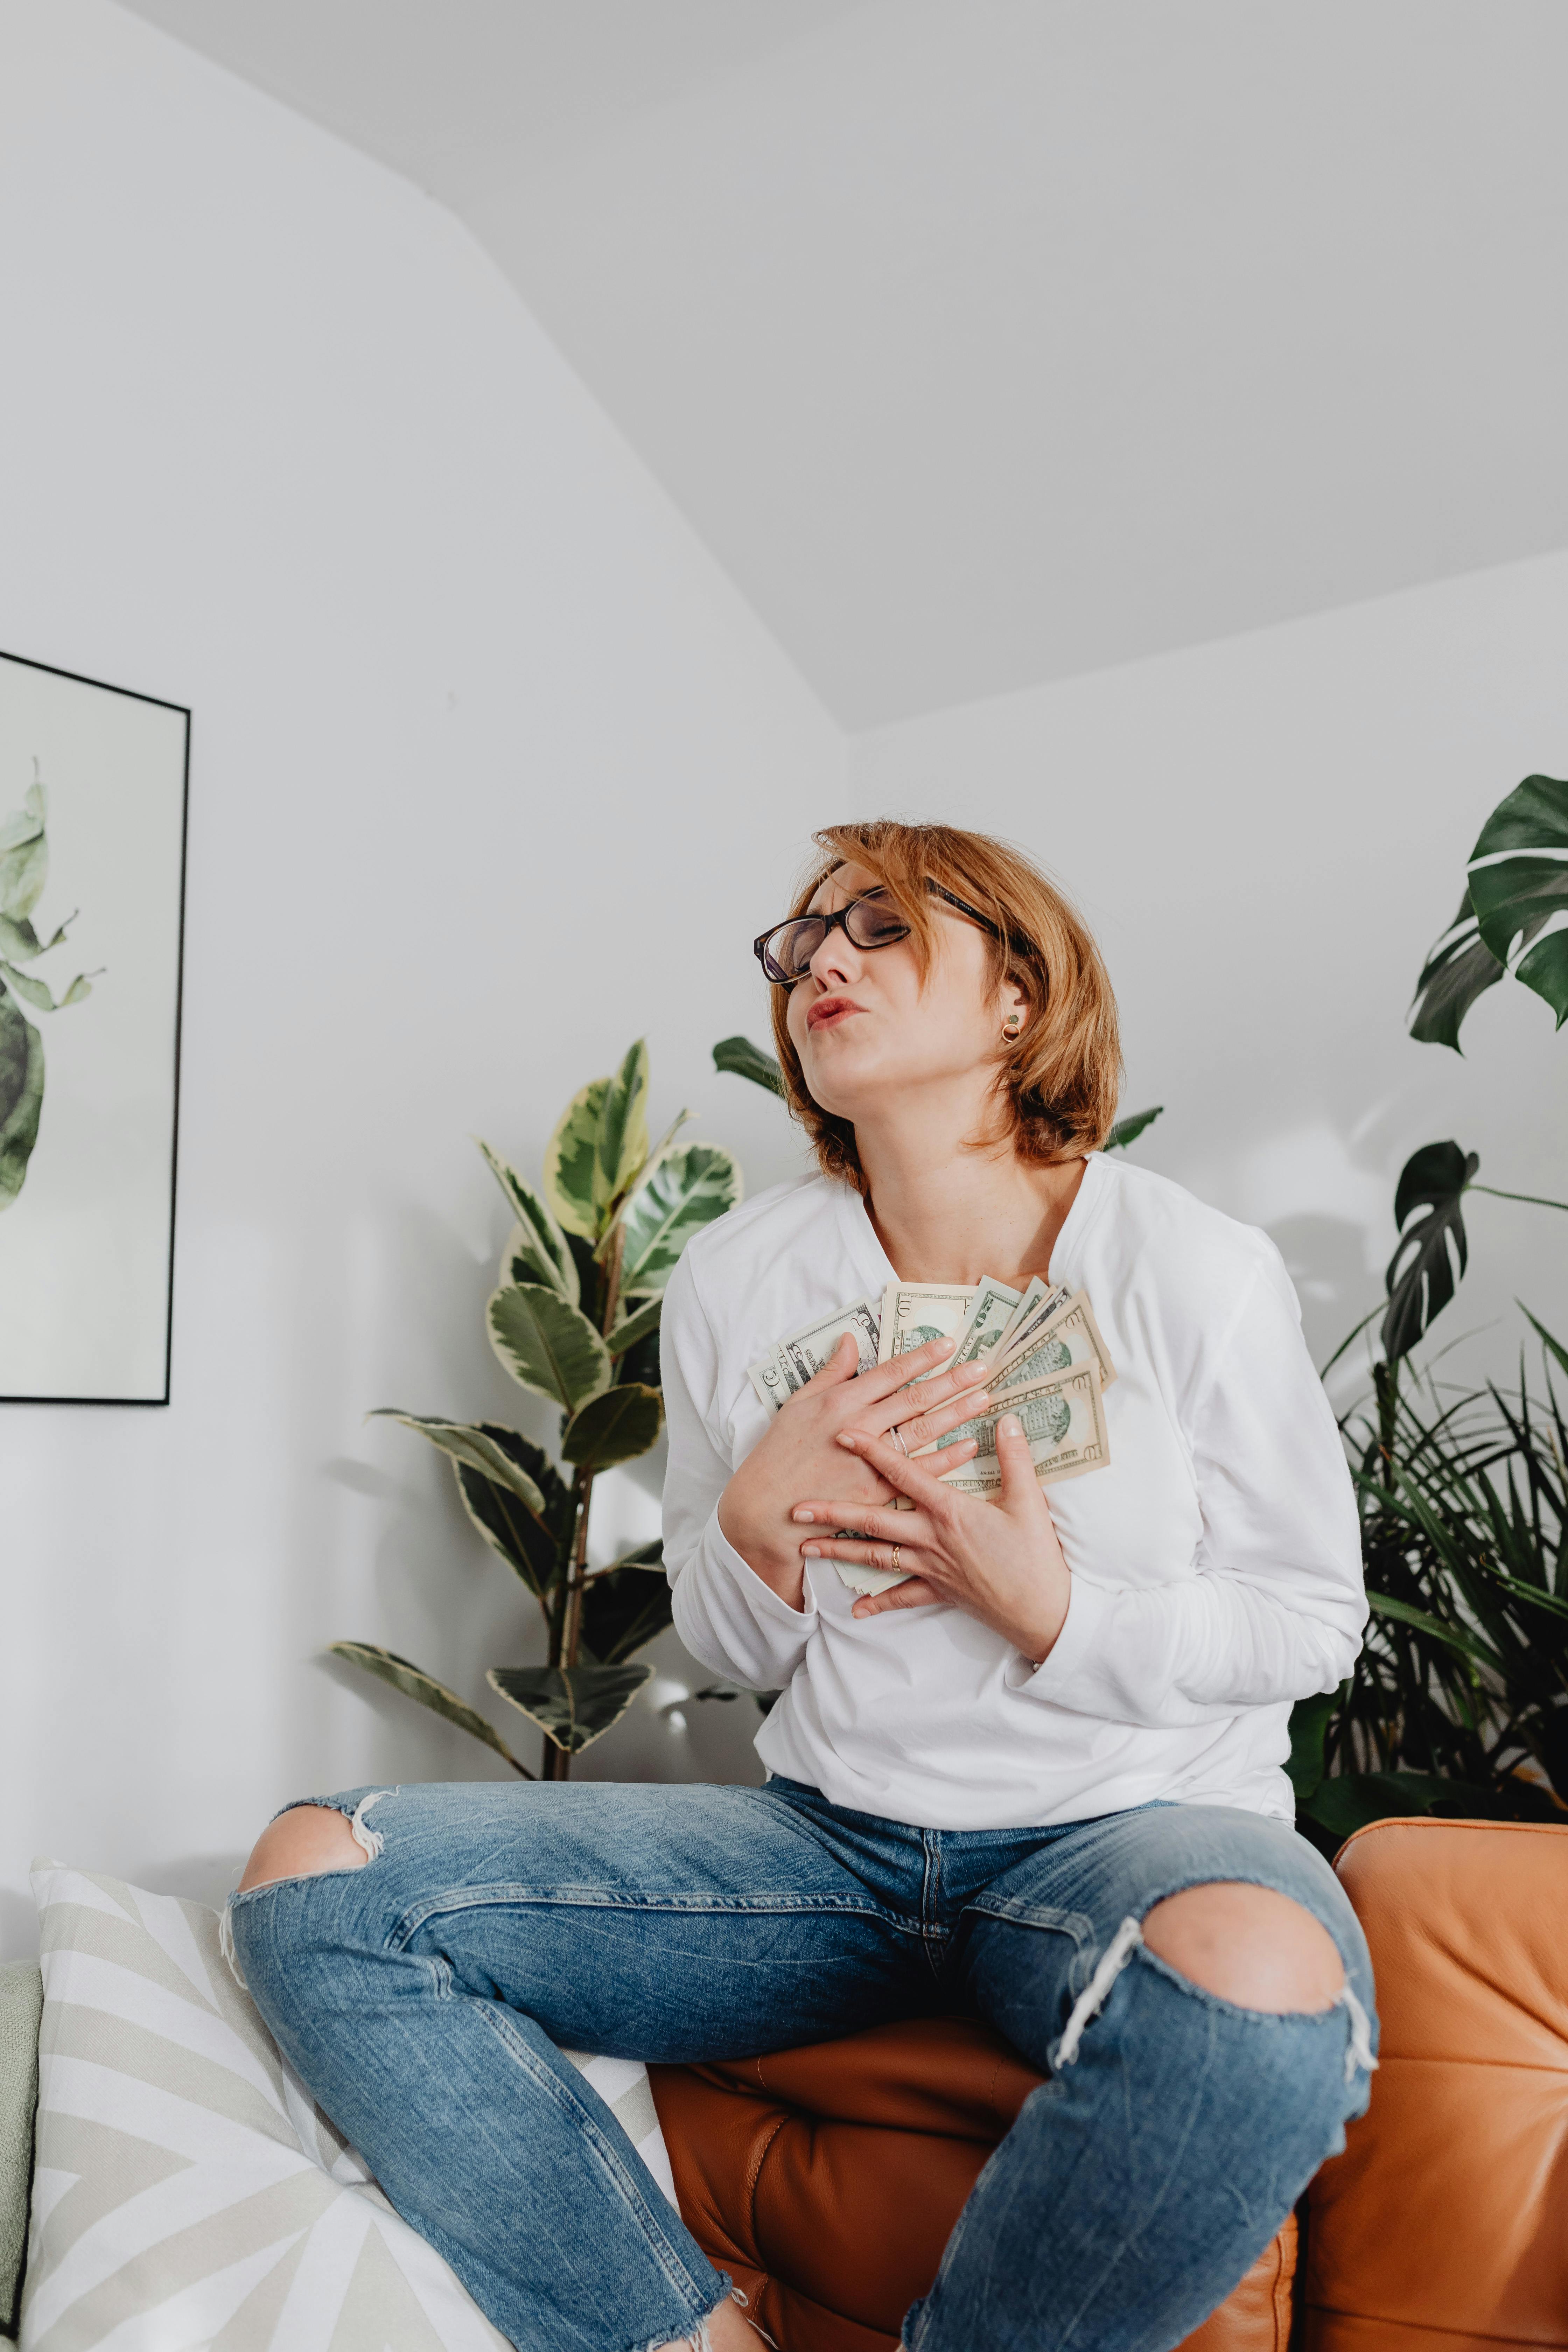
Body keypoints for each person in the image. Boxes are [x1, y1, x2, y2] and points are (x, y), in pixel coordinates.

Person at [227, 819, 1374, 2352]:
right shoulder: (739, 1279)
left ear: (1020, 997)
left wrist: (1055, 1612)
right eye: (796, 945)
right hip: (828, 1851)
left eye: (880, 928)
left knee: (1263, 1983)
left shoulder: (1190, 1268)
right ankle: (684, 2340)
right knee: (318, 1879)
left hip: (1124, 1838)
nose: (818, 961)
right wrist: (755, 1536)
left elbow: (1314, 1619)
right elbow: (727, 1642)